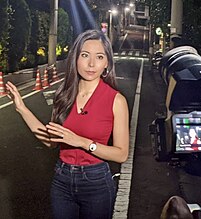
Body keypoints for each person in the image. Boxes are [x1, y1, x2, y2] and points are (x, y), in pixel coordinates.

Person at [6, 29, 129, 219]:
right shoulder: (64, 95)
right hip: (61, 180)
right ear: (76, 59)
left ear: (107, 64)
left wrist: (82, 142)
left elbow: (121, 154)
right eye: (85, 55)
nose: (91, 64)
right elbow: (51, 141)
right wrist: (22, 108)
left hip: (96, 181)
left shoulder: (116, 100)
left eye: (99, 57)